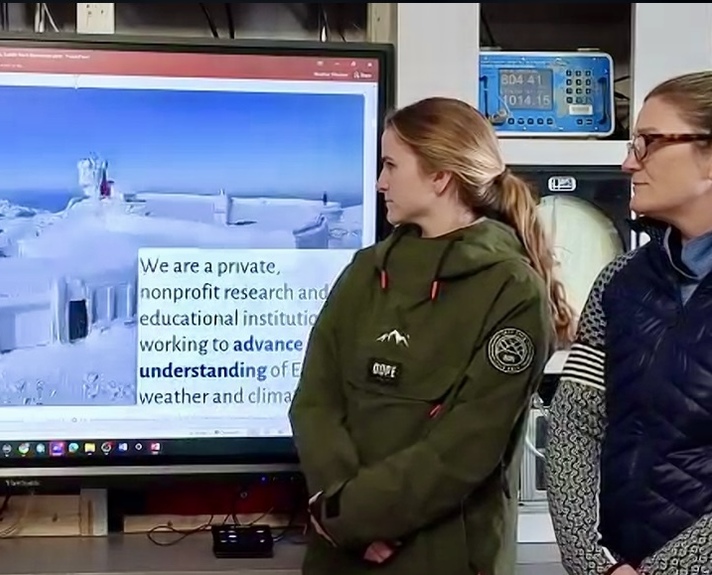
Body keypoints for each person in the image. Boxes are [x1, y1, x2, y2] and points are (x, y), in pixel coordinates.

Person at [288, 96, 576, 575]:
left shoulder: (512, 290)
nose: (380, 182)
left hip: (444, 555)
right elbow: (314, 400)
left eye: (391, 165)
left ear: (440, 177)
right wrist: (338, 512)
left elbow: (465, 449)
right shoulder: (365, 271)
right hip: (338, 547)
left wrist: (354, 515)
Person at [547, 71, 712, 575]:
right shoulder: (621, 280)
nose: (628, 161)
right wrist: (595, 564)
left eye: (649, 142)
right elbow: (574, 428)